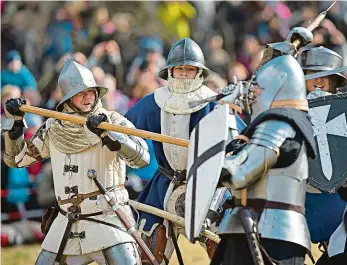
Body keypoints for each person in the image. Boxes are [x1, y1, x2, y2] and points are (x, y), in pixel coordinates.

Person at [3, 59, 150, 265]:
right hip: (67, 220)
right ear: (68, 98)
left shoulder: (113, 120)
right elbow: (17, 160)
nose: (88, 96)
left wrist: (109, 135)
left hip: (107, 218)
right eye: (81, 93)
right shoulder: (52, 128)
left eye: (91, 91)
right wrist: (15, 126)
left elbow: (142, 158)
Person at [125, 37, 245, 264]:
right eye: (179, 69)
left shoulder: (213, 104)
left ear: (199, 73)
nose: (183, 74)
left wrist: (233, 144)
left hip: (208, 186)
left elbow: (242, 139)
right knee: (148, 251)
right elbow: (122, 126)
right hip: (164, 185)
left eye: (189, 70)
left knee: (224, 247)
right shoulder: (154, 102)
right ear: (170, 72)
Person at [212, 54, 317, 265]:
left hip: (268, 231)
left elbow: (239, 173)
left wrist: (208, 162)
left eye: (257, 90)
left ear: (277, 86)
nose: (253, 96)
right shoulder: (291, 124)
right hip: (262, 229)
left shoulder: (277, 125)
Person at [298, 46, 347, 265]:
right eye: (311, 75)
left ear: (335, 82)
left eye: (325, 76)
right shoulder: (289, 113)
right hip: (298, 202)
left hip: (339, 205)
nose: (318, 81)